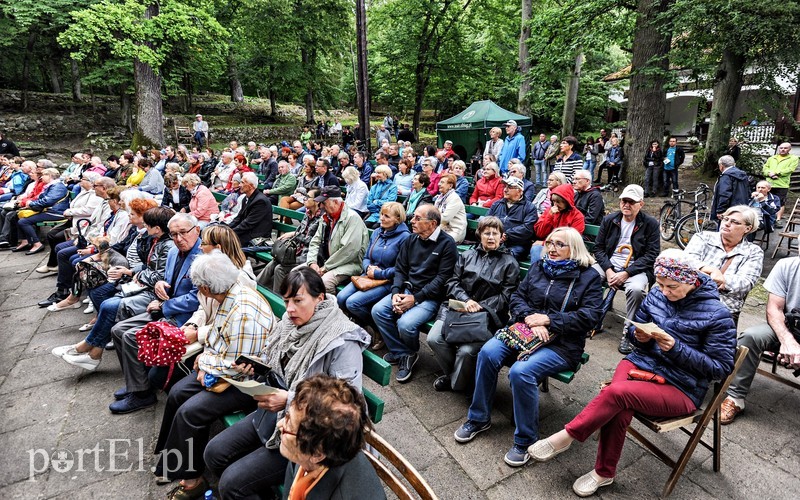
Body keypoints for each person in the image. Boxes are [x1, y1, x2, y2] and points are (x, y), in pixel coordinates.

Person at [531, 249, 736, 497]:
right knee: (619, 405)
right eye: (660, 284)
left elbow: (720, 368)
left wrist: (676, 348)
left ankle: (566, 438)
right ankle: (603, 474)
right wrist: (637, 336)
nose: (664, 291)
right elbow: (634, 329)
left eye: (672, 286)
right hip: (641, 363)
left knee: (615, 394)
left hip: (681, 386)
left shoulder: (718, 314)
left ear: (691, 280)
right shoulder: (658, 295)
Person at [204, 268, 371, 497]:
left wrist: (289, 400)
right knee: (213, 452)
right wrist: (256, 366)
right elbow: (274, 360)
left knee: (231, 483)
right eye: (286, 301)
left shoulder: (341, 340)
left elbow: (350, 405)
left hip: (310, 435)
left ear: (319, 298)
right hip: (275, 417)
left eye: (298, 300)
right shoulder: (290, 323)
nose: (290, 309)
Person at [454, 227, 603, 467]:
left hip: (563, 344)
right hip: (524, 330)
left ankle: (525, 439)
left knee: (521, 372)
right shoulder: (538, 267)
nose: (552, 248)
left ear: (573, 248)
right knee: (488, 353)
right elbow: (517, 298)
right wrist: (531, 319)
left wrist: (550, 321)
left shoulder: (588, 277)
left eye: (559, 244)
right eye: (550, 243)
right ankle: (479, 417)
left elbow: (591, 317)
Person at [152, 253, 273, 497]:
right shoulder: (228, 293)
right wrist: (204, 359)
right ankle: (172, 459)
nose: (197, 290)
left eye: (197, 286)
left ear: (206, 288)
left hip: (246, 384)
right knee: (177, 393)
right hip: (222, 368)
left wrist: (204, 361)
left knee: (190, 412)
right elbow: (220, 337)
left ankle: (193, 479)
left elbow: (239, 367)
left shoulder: (243, 310)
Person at [51, 206, 177, 372]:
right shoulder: (156, 240)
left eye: (147, 225)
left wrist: (134, 274)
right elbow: (149, 266)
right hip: (144, 284)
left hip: (154, 293)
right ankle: (93, 354)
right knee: (105, 301)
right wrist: (133, 272)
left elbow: (158, 276)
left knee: (108, 304)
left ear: (157, 229)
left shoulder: (166, 245)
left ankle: (86, 348)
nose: (145, 228)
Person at [427, 216, 519, 392]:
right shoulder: (467, 255)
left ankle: (457, 383)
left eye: (495, 233)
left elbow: (506, 296)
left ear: (502, 236)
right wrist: (466, 300)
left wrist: (479, 306)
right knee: (434, 338)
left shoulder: (510, 263)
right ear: (480, 235)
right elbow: (452, 282)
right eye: (486, 233)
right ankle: (458, 377)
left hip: (487, 316)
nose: (491, 237)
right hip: (455, 309)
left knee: (466, 351)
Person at [372, 204, 458, 382]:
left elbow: (442, 279)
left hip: (430, 297)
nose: (412, 221)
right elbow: (401, 269)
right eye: (413, 217)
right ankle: (404, 353)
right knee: (378, 311)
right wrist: (396, 292)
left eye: (418, 218)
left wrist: (415, 299)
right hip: (407, 290)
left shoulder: (447, 244)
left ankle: (406, 353)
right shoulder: (411, 239)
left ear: (432, 223)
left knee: (405, 324)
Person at [720, 252, 800, 425]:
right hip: (788, 326)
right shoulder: (787, 265)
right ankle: (735, 397)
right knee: (751, 336)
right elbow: (774, 309)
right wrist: (788, 341)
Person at [276, 375, 385, 499]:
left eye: (289, 424)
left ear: (317, 454)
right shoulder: (311, 449)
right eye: (287, 416)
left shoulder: (345, 494)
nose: (280, 425)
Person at [593, 184, 660, 354]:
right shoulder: (610, 220)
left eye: (631, 201)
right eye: (624, 200)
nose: (626, 205)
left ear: (641, 204)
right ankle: (592, 320)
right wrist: (608, 270)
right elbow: (598, 249)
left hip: (636, 268)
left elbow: (652, 255)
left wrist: (626, 273)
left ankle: (628, 332)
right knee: (589, 276)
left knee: (636, 290)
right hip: (611, 264)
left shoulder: (650, 224)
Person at [338, 202, 410, 345]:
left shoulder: (405, 238)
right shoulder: (378, 232)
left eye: (386, 216)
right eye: (381, 214)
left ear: (397, 219)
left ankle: (379, 329)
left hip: (388, 281)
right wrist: (367, 268)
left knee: (353, 303)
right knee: (341, 298)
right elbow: (366, 257)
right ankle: (361, 324)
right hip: (369, 276)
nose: (381, 218)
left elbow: (402, 268)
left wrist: (379, 273)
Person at [684, 205, 763, 325]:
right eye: (725, 219)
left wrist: (718, 279)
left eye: (734, 222)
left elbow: (745, 283)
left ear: (747, 228)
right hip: (691, 300)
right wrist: (711, 271)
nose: (726, 224)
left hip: (725, 309)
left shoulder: (753, 252)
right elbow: (686, 263)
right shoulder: (703, 237)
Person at [305, 186, 369, 293]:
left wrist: (325, 268)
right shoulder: (326, 217)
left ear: (335, 202)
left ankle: (331, 308)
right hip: (327, 261)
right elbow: (315, 241)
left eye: (324, 203)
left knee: (324, 282)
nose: (321, 206)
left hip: (349, 263)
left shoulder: (352, 218)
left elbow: (349, 251)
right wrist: (312, 262)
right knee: (298, 272)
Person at [258, 189, 322, 293]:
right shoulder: (308, 213)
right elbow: (300, 231)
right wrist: (294, 234)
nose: (305, 199)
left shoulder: (321, 219)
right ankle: (255, 286)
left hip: (307, 255)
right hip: (296, 250)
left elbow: (313, 241)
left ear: (317, 201)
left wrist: (294, 235)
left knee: (279, 268)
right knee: (275, 261)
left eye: (308, 197)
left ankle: (278, 299)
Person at [14, 167, 70, 254]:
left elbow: (48, 201)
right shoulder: (52, 186)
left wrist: (31, 204)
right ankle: (25, 241)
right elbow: (42, 199)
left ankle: (37, 244)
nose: (41, 177)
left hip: (56, 213)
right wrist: (30, 203)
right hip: (50, 210)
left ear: (50, 176)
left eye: (43, 175)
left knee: (24, 222)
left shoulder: (58, 187)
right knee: (18, 215)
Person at [530, 183, 585, 262]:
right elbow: (540, 233)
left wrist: (544, 243)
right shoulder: (549, 211)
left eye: (558, 202)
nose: (555, 204)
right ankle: (536, 273)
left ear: (566, 202)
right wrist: (549, 216)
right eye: (553, 201)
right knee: (536, 249)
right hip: (549, 246)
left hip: (565, 248)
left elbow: (572, 240)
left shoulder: (577, 216)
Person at [486, 177, 537, 260]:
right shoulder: (497, 204)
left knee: (504, 259)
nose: (505, 190)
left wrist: (507, 234)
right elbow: (486, 221)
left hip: (517, 245)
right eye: (505, 187)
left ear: (519, 191)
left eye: (509, 187)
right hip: (493, 240)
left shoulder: (529, 207)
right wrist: (495, 234)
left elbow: (527, 228)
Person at [227, 171, 273, 247]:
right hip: (248, 231)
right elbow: (238, 218)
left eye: (242, 183)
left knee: (227, 240)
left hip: (257, 235)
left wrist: (229, 232)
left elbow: (248, 224)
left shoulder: (260, 201)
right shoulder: (246, 198)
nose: (240, 185)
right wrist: (226, 228)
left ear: (251, 186)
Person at [762, 142, 798, 227]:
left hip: (782, 184)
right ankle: (766, 218)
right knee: (766, 200)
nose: (783, 149)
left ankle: (777, 220)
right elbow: (765, 168)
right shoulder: (772, 158)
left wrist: (777, 173)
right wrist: (769, 173)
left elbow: (790, 169)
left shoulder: (793, 158)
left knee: (780, 202)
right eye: (781, 148)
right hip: (769, 183)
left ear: (789, 149)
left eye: (785, 148)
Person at [711, 155, 751, 228]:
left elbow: (724, 194)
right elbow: (748, 192)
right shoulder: (743, 175)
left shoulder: (726, 176)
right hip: (742, 208)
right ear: (734, 164)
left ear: (721, 166)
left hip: (729, 210)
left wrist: (720, 210)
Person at [434, 173, 467, 244]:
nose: (439, 184)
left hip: (454, 231)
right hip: (442, 229)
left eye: (442, 182)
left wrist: (431, 219)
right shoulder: (440, 198)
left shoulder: (454, 198)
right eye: (439, 182)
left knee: (434, 241)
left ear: (450, 186)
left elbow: (445, 218)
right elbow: (434, 213)